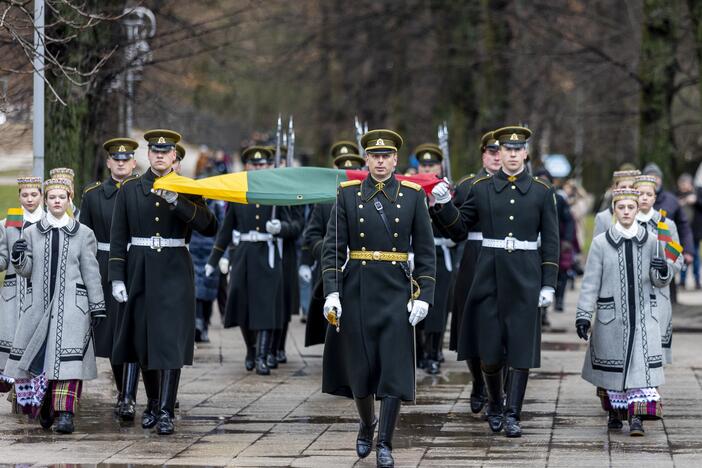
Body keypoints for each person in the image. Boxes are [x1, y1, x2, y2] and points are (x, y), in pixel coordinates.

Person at [431, 125, 559, 438]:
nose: (513, 155)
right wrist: (444, 205)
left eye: (518, 150)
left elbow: (552, 242)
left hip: (525, 274)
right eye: (507, 150)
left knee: (520, 348)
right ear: (498, 153)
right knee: (489, 349)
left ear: (525, 153)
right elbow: (460, 229)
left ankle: (513, 414)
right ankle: (495, 403)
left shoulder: (542, 192)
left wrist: (548, 284)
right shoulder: (482, 188)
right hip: (488, 273)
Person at [321, 129, 435, 467]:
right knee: (360, 366)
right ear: (366, 159)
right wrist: (332, 291)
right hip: (357, 288)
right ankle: (366, 422)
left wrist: (424, 295)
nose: (381, 161)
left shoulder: (413, 196)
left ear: (396, 160)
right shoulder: (347, 194)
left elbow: (426, 253)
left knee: (393, 367)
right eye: (374, 156)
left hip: (397, 291)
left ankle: (385, 441)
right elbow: (333, 248)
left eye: (386, 156)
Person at [109, 129, 217, 435]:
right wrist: (117, 277)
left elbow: (209, 226)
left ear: (174, 156)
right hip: (140, 269)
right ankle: (154, 402)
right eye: (154, 151)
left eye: (165, 151)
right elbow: (118, 239)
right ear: (148, 155)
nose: (159, 155)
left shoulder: (187, 188)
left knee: (170, 341)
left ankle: (167, 410)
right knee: (145, 342)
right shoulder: (130, 190)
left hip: (174, 269)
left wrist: (178, 202)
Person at [6, 177, 105, 434]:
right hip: (38, 307)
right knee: (41, 358)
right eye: (52, 197)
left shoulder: (84, 234)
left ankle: (65, 415)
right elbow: (26, 270)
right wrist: (18, 257)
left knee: (68, 362)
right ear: (46, 201)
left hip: (73, 307)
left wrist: (97, 305)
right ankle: (47, 405)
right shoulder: (30, 232)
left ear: (70, 199)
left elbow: (91, 272)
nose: (57, 201)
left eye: (62, 197)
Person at [575, 188, 671, 436]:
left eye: (631, 207)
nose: (626, 212)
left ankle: (636, 417)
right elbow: (590, 283)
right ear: (614, 210)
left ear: (637, 209)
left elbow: (660, 281)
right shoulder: (600, 243)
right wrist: (583, 315)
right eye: (621, 207)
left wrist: (663, 270)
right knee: (613, 369)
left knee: (640, 368)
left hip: (642, 318)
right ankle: (615, 413)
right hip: (612, 318)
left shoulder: (651, 240)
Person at [205, 146, 296, 376]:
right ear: (247, 166)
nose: (258, 168)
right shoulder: (239, 192)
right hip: (244, 255)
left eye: (263, 164)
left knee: (266, 308)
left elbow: (295, 226)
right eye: (254, 164)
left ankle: (263, 357)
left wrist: (280, 227)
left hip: (268, 254)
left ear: (269, 166)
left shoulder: (277, 192)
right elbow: (226, 229)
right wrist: (213, 259)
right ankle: (252, 349)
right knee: (243, 307)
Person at [438, 131, 501, 414]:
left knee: (504, 331)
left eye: (502, 151)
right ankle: (478, 381)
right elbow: (453, 231)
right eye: (491, 151)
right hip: (474, 260)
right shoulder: (466, 186)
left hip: (508, 262)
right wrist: (441, 206)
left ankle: (499, 391)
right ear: (483, 155)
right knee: (471, 329)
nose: (498, 156)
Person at [79, 137, 140, 421]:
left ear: (134, 162)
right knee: (116, 331)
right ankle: (123, 391)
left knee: (137, 328)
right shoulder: (92, 195)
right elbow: (85, 238)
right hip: (105, 265)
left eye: (126, 159)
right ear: (107, 163)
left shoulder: (143, 190)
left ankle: (130, 395)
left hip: (139, 262)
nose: (120, 163)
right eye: (116, 159)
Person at [301, 140, 365, 348]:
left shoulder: (369, 200)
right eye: (345, 171)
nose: (349, 174)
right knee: (332, 314)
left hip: (359, 268)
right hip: (332, 267)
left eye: (354, 171)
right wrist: (328, 249)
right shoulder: (325, 202)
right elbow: (311, 236)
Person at [1, 176, 45, 395]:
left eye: (34, 194)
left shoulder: (48, 222)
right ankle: (20, 399)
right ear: (19, 196)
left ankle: (32, 399)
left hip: (37, 294)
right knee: (12, 348)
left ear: (41, 196)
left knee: (34, 345)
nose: (29, 199)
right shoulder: (8, 222)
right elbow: (2, 260)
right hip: (13, 296)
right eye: (25, 195)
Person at [633, 175, 683, 364]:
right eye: (640, 194)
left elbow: (676, 258)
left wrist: (666, 267)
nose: (644, 198)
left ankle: (653, 392)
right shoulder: (627, 223)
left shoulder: (666, 225)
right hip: (633, 293)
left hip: (658, 294)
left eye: (649, 194)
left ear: (655, 197)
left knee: (655, 354)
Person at [414, 143, 452, 375]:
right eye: (424, 164)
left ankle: (433, 352)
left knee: (438, 309)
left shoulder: (448, 189)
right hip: (416, 256)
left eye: (432, 164)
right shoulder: (410, 188)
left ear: (440, 165)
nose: (428, 167)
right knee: (416, 304)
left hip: (441, 253)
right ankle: (418, 351)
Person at [592, 170, 640, 239]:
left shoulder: (643, 216)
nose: (627, 190)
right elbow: (597, 246)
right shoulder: (602, 218)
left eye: (631, 187)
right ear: (615, 188)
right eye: (623, 187)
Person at [676, 173, 699, 289]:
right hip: (681, 233)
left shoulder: (697, 194)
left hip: (694, 233)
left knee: (694, 257)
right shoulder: (677, 196)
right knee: (681, 257)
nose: (684, 186)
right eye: (682, 183)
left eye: (686, 183)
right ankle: (682, 280)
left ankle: (697, 280)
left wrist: (696, 201)